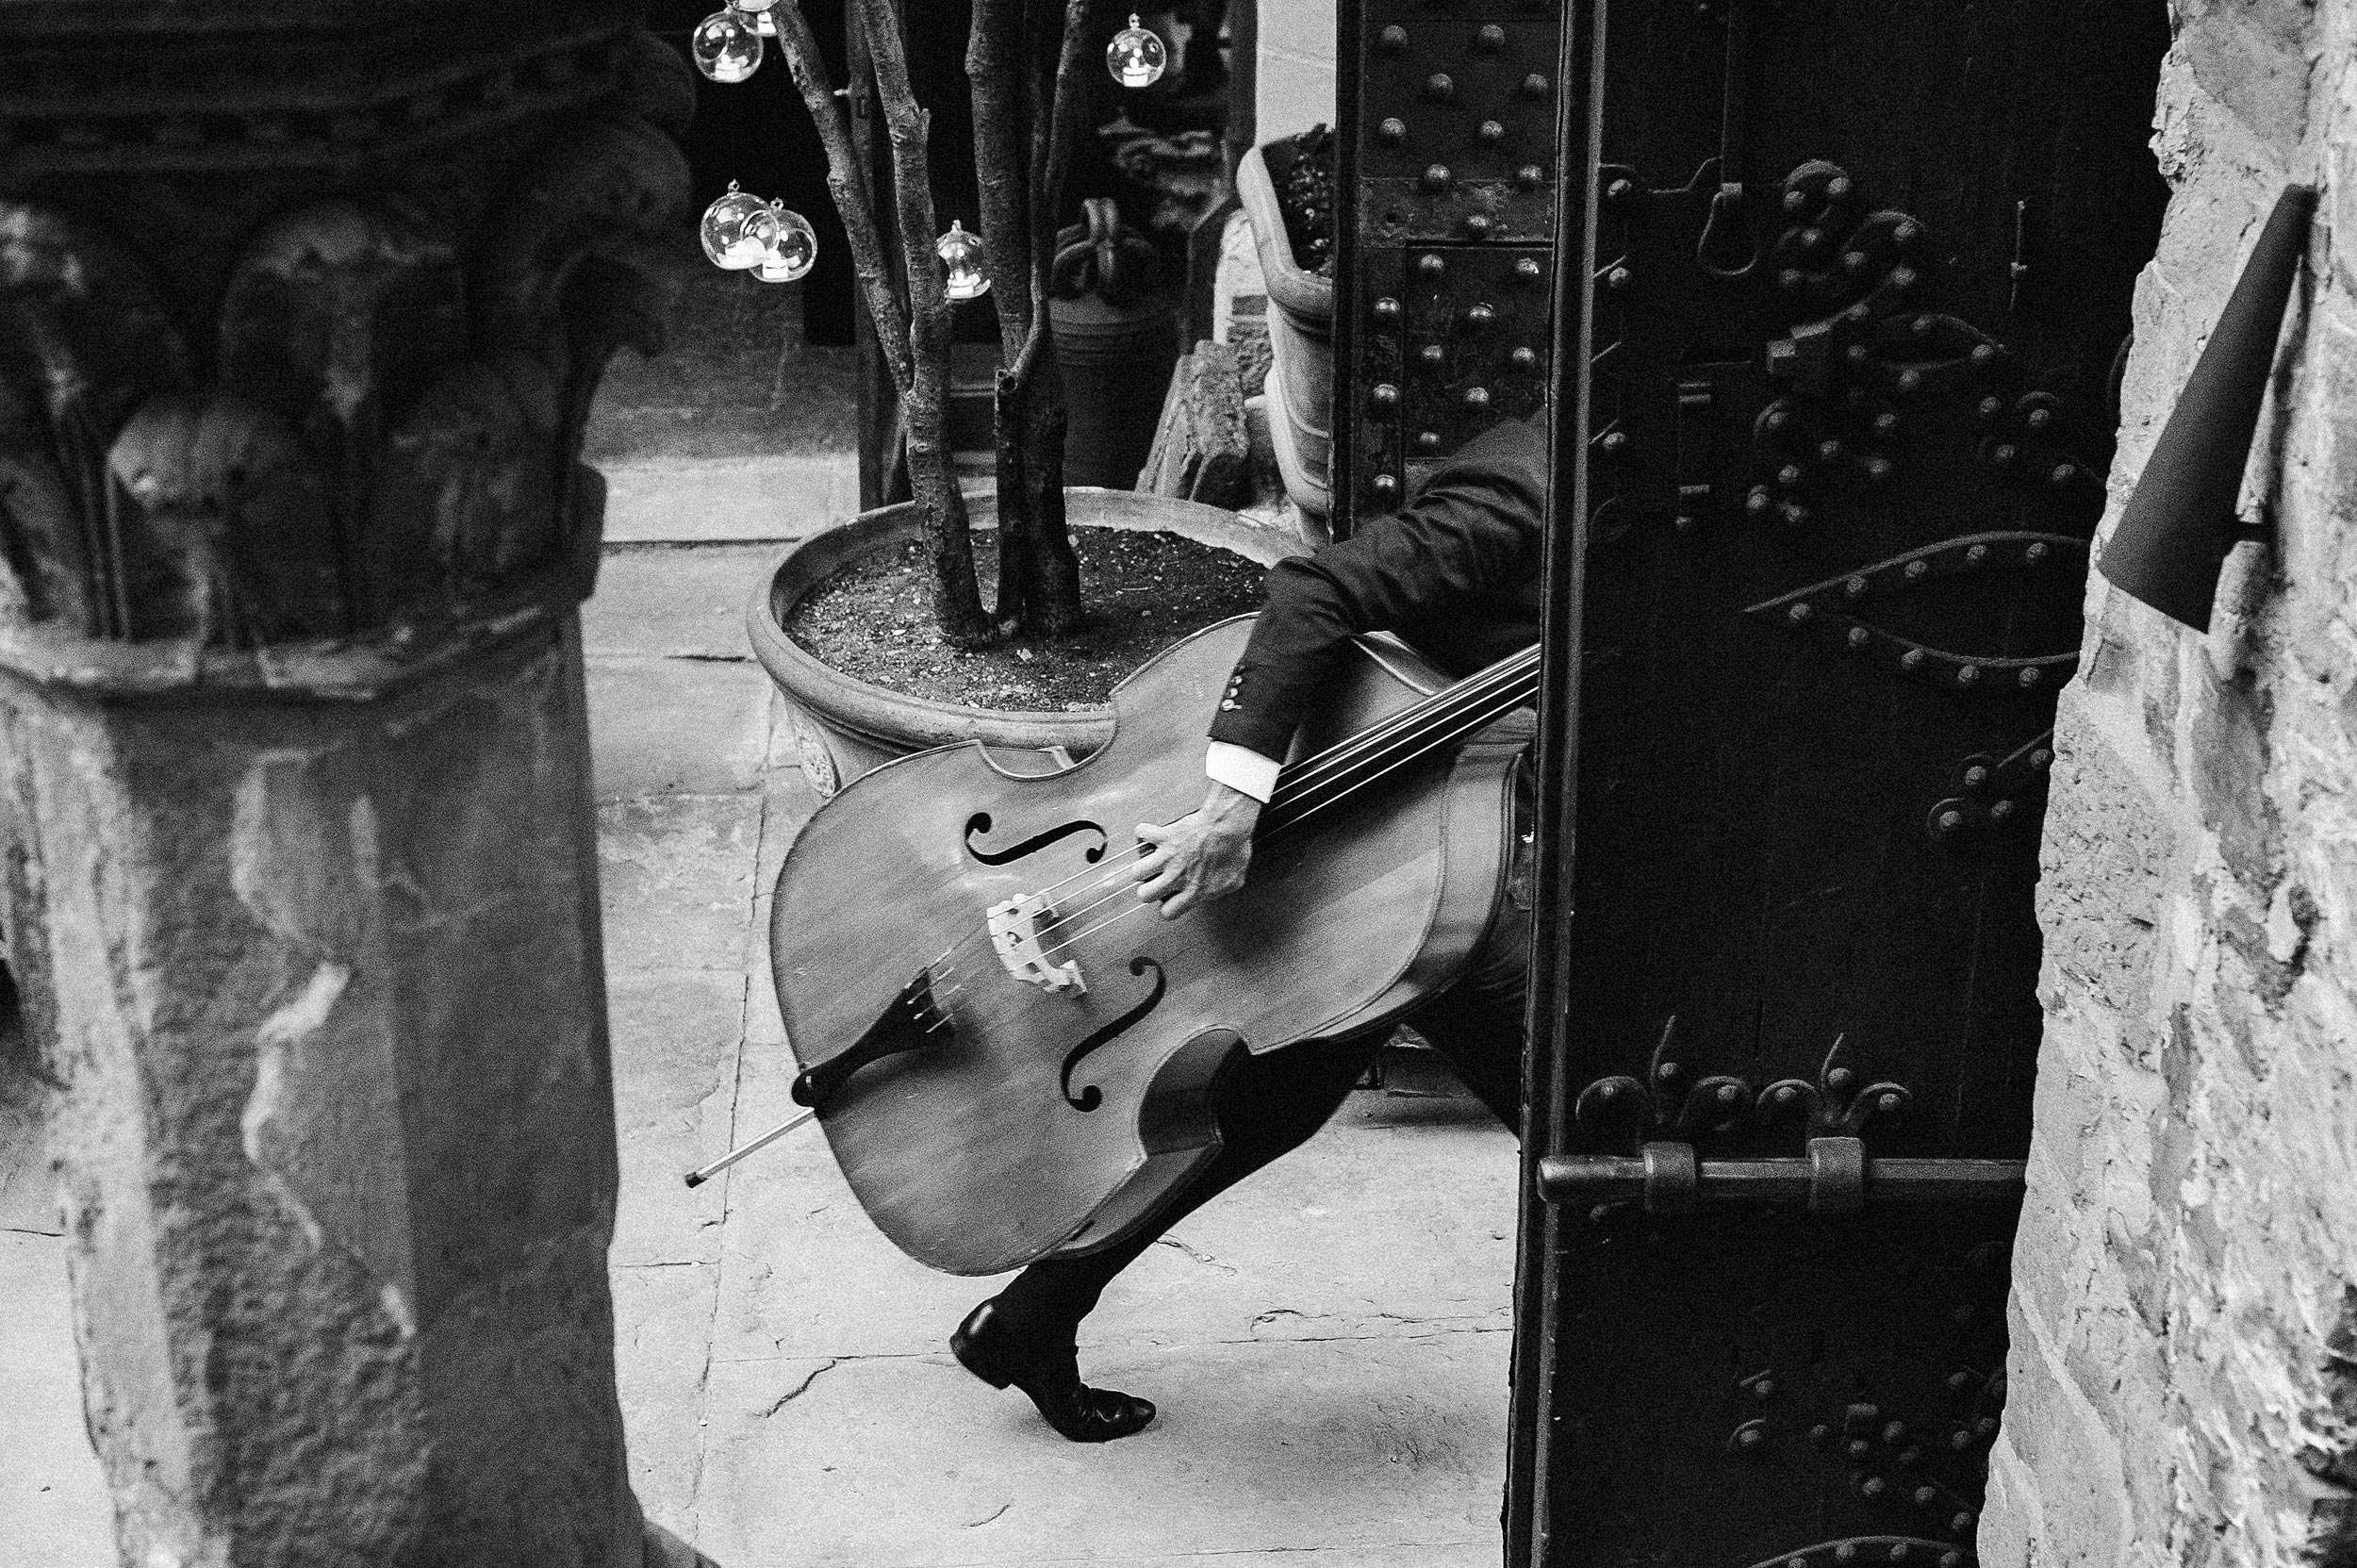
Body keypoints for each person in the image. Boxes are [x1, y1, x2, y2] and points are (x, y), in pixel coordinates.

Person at [948, 411, 1551, 1441]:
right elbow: (1315, 590)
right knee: (1571, 1109)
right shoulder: (1528, 492)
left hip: (1419, 841)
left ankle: (1034, 1313)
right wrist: (1232, 810)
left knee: (1280, 1094)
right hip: (1369, 828)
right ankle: (1637, 1380)